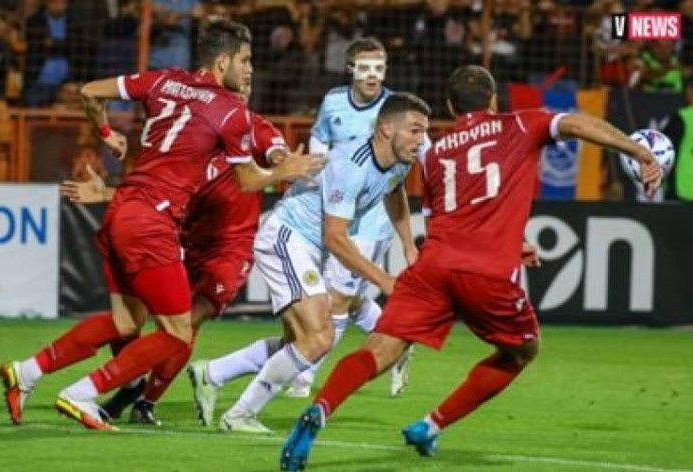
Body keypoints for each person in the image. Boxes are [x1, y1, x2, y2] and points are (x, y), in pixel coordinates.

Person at [279, 65, 663, 472]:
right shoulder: (519, 124)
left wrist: (511, 241)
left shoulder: (436, 154)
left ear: (450, 107)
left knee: (379, 350)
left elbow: (449, 218)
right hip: (486, 273)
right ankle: (431, 425)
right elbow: (578, 124)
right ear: (494, 100)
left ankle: (321, 408)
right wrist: (638, 151)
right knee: (522, 351)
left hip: (434, 268)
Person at [0, 19, 323, 431]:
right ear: (223, 61)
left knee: (125, 323)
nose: (249, 70)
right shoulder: (230, 113)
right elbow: (248, 180)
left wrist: (106, 133)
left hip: (127, 211)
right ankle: (84, 393)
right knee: (176, 331)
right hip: (154, 222)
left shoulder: (164, 81)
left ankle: (26, 372)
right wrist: (285, 171)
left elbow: (89, 91)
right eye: (245, 61)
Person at [59, 85, 291, 425]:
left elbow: (277, 153)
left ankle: (144, 401)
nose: (242, 88)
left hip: (229, 249)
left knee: (186, 322)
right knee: (134, 318)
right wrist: (108, 193)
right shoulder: (197, 132)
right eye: (237, 82)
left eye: (248, 82)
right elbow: (159, 188)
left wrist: (284, 161)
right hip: (182, 236)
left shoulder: (255, 128)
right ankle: (128, 385)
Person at [199, 92, 429, 434]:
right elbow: (336, 237)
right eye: (414, 130)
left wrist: (409, 245)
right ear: (386, 129)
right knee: (320, 337)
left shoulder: (400, 161)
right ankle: (240, 414)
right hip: (286, 238)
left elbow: (393, 192)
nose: (421, 139)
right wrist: (384, 280)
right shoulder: (351, 166)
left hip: (309, 247)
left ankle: (213, 373)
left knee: (303, 342)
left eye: (423, 131)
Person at [292, 36, 417, 398]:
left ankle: (303, 377)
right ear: (350, 69)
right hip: (340, 209)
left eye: (380, 67)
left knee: (337, 298)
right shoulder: (333, 101)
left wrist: (408, 242)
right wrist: (316, 174)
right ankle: (400, 343)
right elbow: (319, 137)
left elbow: (411, 165)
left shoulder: (395, 110)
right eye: (365, 67)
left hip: (373, 219)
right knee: (354, 296)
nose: (373, 75)